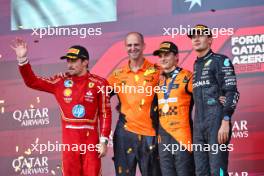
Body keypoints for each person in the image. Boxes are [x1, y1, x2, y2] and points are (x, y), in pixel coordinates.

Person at [11, 38, 112, 176]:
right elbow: (32, 82)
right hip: (69, 145)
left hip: (91, 144)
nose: (69, 64)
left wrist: (104, 141)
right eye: (68, 61)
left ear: (85, 62)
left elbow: (105, 113)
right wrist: (22, 60)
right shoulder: (60, 81)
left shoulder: (100, 83)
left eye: (73, 61)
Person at [187, 24, 240, 176]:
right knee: (201, 172)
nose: (196, 38)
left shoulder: (220, 60)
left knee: (218, 170)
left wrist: (225, 120)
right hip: (199, 126)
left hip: (216, 123)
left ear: (210, 39)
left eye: (200, 35)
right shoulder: (196, 65)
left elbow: (232, 92)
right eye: (193, 36)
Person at [107, 32, 161, 176]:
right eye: (129, 45)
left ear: (144, 46)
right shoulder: (117, 75)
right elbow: (99, 95)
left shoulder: (156, 71)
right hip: (125, 134)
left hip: (150, 134)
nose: (133, 48)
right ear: (125, 47)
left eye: (136, 44)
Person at [153, 41, 195, 176]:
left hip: (182, 136)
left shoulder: (187, 77)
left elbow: (204, 98)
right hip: (163, 137)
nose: (163, 59)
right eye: (160, 56)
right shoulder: (157, 81)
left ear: (177, 57)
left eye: (167, 55)